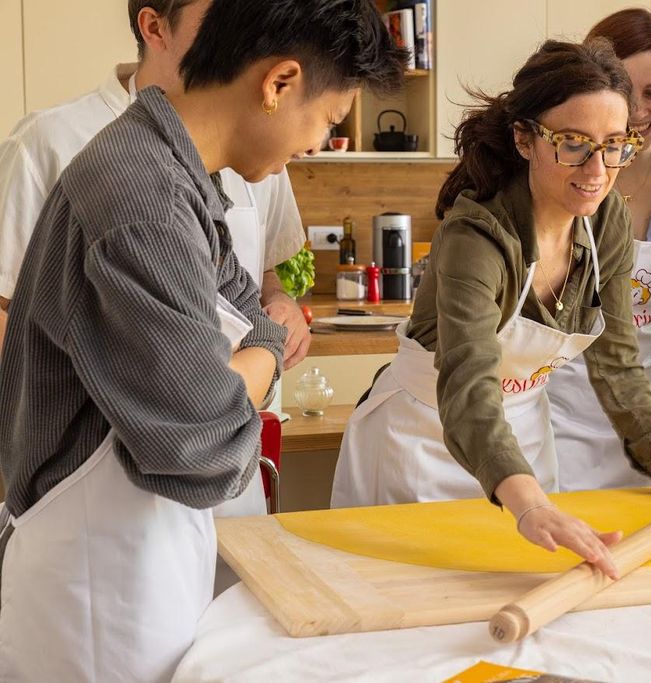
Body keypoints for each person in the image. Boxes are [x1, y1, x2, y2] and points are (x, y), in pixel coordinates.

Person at [0, 1, 406, 680]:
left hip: (145, 553)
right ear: (278, 82)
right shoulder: (141, 196)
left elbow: (255, 318)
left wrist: (247, 358)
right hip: (96, 582)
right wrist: (260, 358)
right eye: (327, 121)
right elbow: (202, 437)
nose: (314, 145)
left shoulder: (185, 177)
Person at [331, 39, 651, 579]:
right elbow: (469, 387)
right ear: (524, 138)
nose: (598, 169)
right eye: (573, 144)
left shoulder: (605, 219)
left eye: (615, 145)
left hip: (523, 446)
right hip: (421, 442)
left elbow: (616, 364)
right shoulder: (477, 236)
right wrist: (530, 504)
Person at [0, 0, 311, 373]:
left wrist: (282, 305)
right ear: (154, 27)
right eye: (220, 16)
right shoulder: (47, 141)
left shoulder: (261, 143)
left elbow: (263, 273)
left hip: (239, 416)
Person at [546, 8, 651, 490]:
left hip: (649, 426)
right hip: (549, 419)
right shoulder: (558, 185)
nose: (637, 111)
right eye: (623, 90)